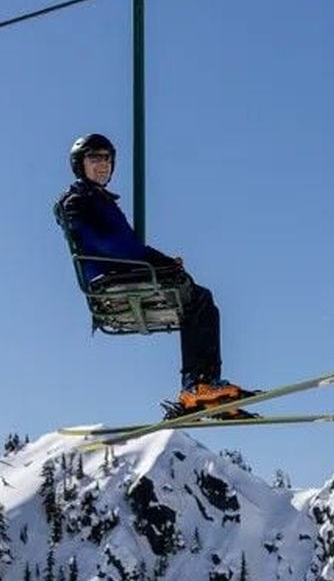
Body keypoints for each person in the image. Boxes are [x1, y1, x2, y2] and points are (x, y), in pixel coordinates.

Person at [56, 133, 251, 416]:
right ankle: (198, 384)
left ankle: (201, 386)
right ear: (79, 164)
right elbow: (110, 245)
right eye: (94, 158)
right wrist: (156, 260)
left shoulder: (100, 200)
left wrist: (160, 261)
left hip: (117, 270)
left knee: (197, 298)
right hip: (109, 275)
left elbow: (125, 246)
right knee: (196, 298)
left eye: (107, 159)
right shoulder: (79, 200)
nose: (103, 165)